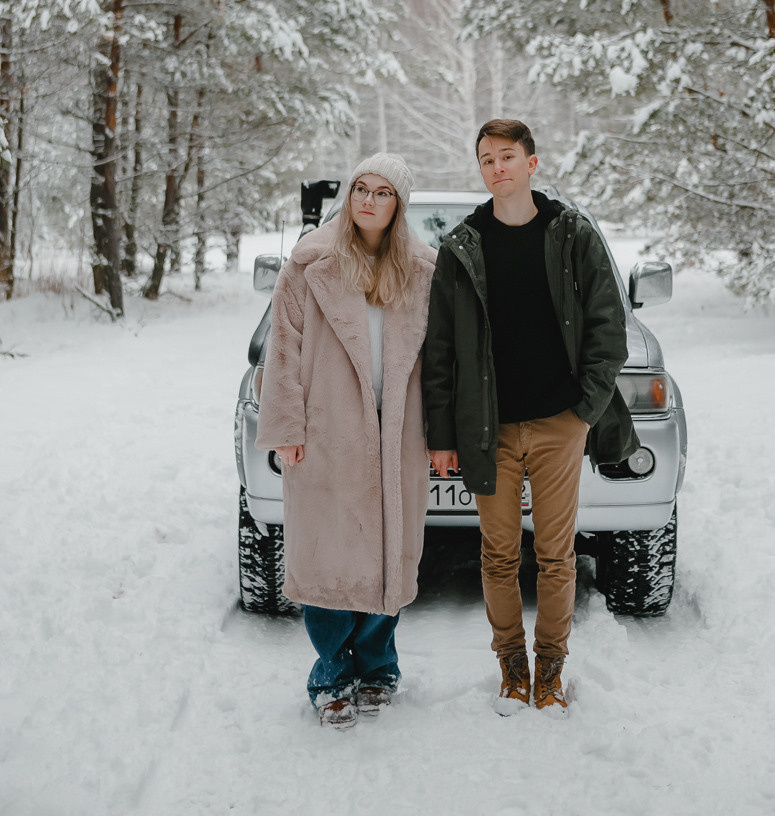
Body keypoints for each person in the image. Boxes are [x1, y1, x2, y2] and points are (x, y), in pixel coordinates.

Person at [422, 119, 639, 715]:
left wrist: (583, 411)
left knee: (555, 552)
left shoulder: (572, 234)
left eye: (508, 156)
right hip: (487, 428)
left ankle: (551, 667)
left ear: (532, 163)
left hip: (556, 423)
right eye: (487, 159)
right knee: (496, 554)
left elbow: (608, 330)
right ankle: (511, 665)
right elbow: (439, 351)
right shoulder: (461, 246)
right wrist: (442, 435)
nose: (497, 167)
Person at [255, 153, 436, 730]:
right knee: (330, 558)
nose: (367, 200)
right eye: (361, 187)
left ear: (398, 205)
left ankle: (379, 667)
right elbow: (281, 350)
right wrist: (286, 429)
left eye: (383, 192)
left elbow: (440, 362)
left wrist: (444, 435)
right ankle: (331, 673)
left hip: (399, 432)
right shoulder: (310, 263)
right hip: (326, 432)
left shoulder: (425, 271)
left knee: (389, 554)